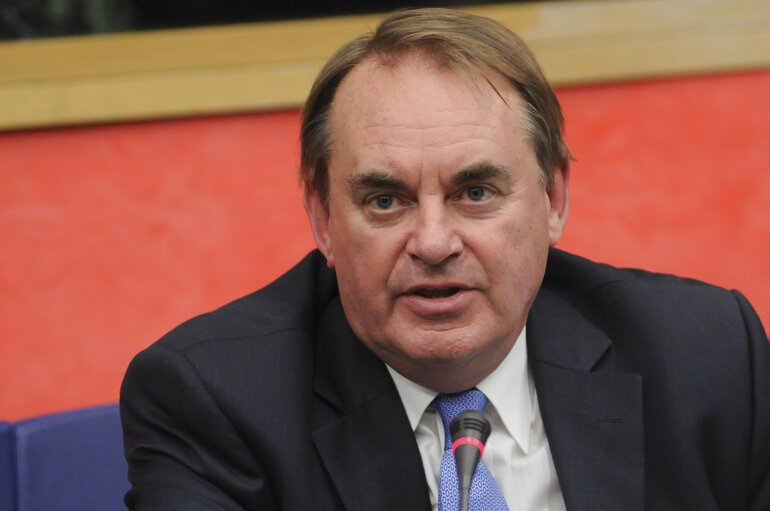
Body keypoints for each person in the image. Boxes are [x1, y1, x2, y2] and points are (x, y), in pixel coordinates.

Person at [120, 8, 770, 511]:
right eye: (384, 200)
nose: (433, 242)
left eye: (476, 192)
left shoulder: (709, 357)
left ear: (553, 196)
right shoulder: (215, 401)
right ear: (321, 216)